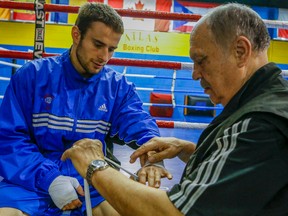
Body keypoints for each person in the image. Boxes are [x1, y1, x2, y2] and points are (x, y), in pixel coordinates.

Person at [62, 3, 288, 216]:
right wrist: (191, 150)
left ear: (241, 51)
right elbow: (245, 173)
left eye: (201, 60)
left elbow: (172, 213)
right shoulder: (269, 100)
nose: (195, 74)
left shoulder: (261, 123)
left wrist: (95, 166)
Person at [0, 2, 172, 216]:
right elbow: (9, 139)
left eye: (111, 49)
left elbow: (141, 126)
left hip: (92, 181)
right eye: (98, 44)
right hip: (30, 183)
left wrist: (153, 160)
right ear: (76, 35)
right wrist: (49, 178)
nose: (104, 56)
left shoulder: (117, 88)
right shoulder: (31, 77)